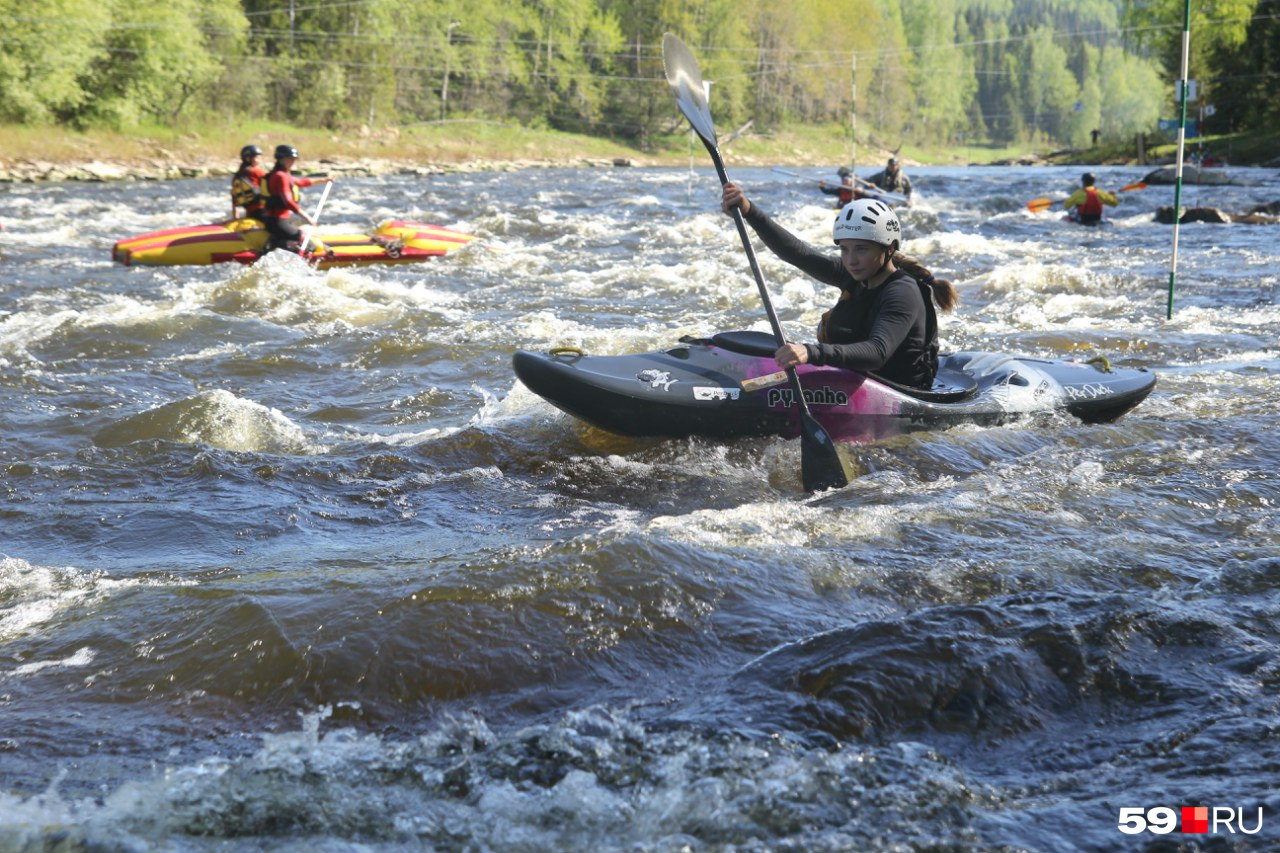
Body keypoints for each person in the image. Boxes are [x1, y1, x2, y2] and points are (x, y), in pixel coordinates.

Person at [721, 183, 957, 390]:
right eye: (844, 249)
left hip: (898, 390)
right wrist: (749, 211)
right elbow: (799, 255)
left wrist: (811, 352)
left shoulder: (903, 292)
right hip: (857, 377)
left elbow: (877, 352)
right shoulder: (855, 275)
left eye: (861, 249)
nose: (851, 259)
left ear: (889, 249)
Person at [261, 144, 335, 253]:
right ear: (281, 159)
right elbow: (288, 202)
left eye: (294, 159)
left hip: (277, 221)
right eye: (290, 159)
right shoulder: (281, 176)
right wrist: (308, 218)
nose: (292, 162)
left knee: (300, 235)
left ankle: (276, 243)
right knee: (310, 246)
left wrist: (324, 180)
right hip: (278, 222)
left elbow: (301, 182)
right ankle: (277, 244)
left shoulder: (281, 174)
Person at [230, 144, 268, 221]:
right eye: (257, 158)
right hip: (262, 211)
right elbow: (273, 183)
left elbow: (234, 198)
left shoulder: (236, 176)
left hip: (250, 212)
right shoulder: (256, 171)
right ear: (248, 159)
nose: (259, 160)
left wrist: (236, 218)